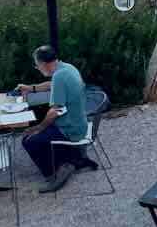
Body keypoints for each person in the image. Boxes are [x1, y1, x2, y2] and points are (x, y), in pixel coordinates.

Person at [16, 44, 97, 192]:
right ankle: (72, 157)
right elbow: (51, 85)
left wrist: (39, 127)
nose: (37, 68)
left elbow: (55, 111)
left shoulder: (60, 76)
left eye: (37, 65)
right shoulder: (66, 68)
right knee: (39, 130)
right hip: (80, 122)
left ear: (43, 64)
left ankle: (55, 175)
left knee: (29, 141)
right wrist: (31, 88)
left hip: (71, 129)